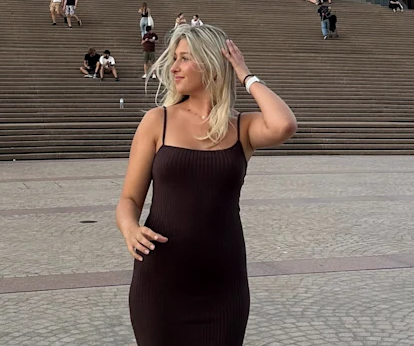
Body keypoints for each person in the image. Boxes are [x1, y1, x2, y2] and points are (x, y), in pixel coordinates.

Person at [117, 24, 298, 344]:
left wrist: (244, 73)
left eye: (185, 58)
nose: (173, 66)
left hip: (223, 284)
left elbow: (284, 124)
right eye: (174, 58)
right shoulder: (158, 121)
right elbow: (129, 199)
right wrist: (130, 228)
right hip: (161, 283)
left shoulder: (241, 127)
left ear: (212, 63)